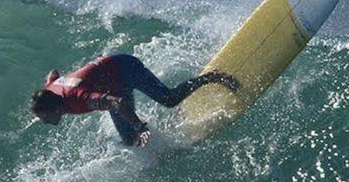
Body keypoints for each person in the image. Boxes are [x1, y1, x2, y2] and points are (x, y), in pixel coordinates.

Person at [31, 55, 240, 145]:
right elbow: (53, 74)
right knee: (131, 141)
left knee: (168, 99)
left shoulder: (79, 98)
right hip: (112, 83)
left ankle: (212, 77)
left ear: (55, 108)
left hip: (125, 69)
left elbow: (117, 103)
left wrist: (140, 125)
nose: (44, 121)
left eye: (45, 116)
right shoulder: (51, 90)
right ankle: (173, 126)